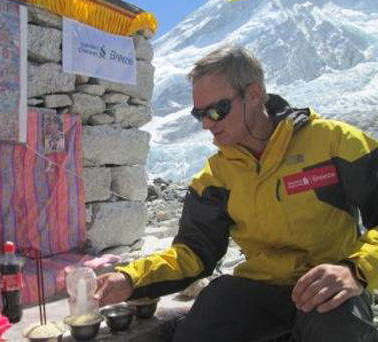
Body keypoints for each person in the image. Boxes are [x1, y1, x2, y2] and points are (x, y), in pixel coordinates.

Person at [94, 45, 378, 342]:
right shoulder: (216, 175)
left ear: (254, 94)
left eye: (217, 111)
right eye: (199, 114)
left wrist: (356, 270)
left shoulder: (334, 141)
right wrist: (130, 278)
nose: (206, 124)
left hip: (327, 282)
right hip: (258, 286)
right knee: (199, 328)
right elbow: (193, 252)